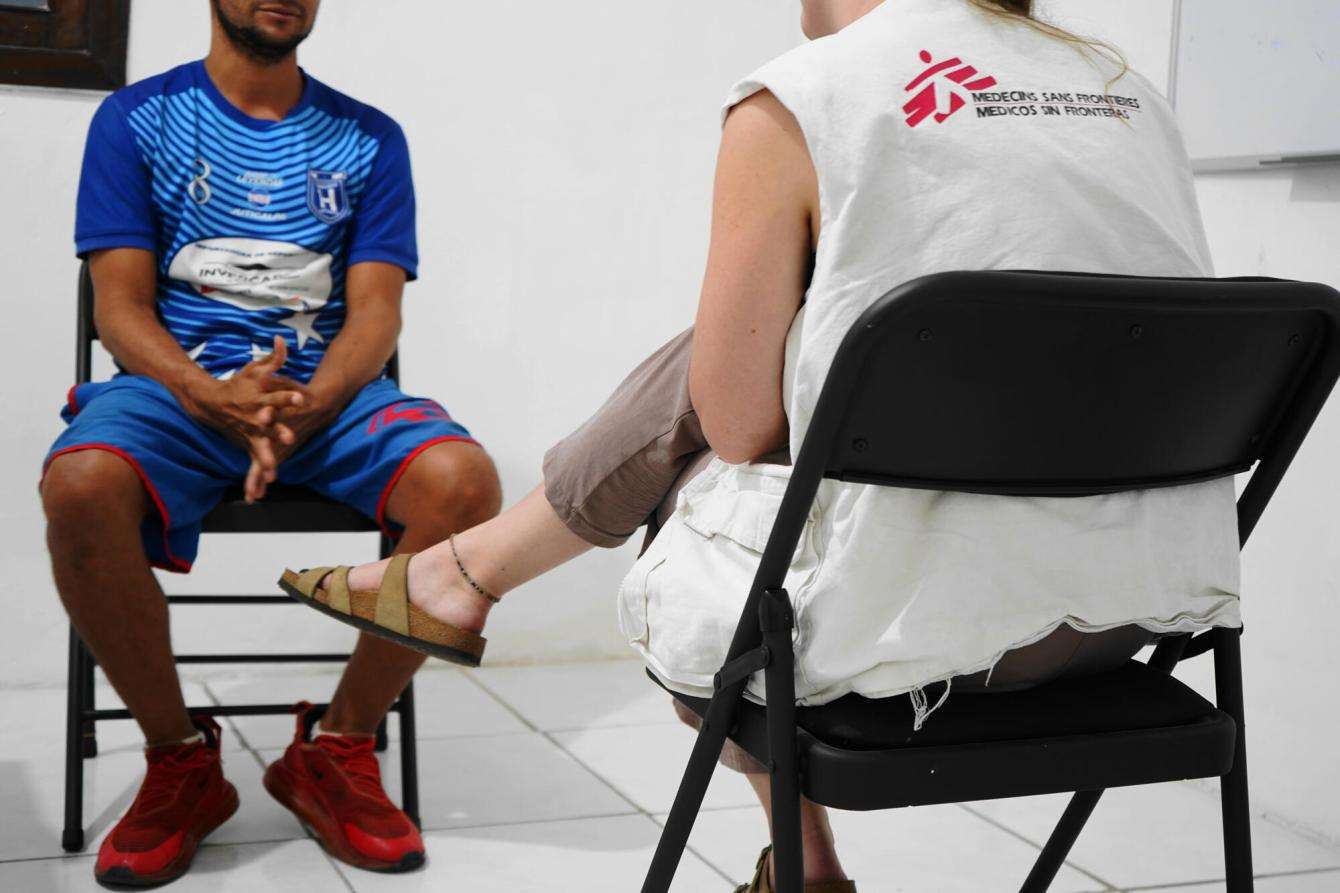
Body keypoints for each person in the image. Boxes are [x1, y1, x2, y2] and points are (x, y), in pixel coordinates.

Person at [283, 0, 1241, 889]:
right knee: (805, 355)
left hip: (913, 636)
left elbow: (738, 424)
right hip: (1140, 616)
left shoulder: (804, 95)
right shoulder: (1127, 90)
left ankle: (800, 854)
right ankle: (475, 578)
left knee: (705, 465)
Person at [40, 0, 502, 885]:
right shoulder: (136, 119)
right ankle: (179, 760)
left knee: (464, 483)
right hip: (178, 388)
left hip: (324, 398)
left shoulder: (370, 137)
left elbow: (376, 313)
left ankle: (336, 746)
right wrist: (209, 395)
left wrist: (307, 402)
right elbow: (121, 308)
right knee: (80, 484)